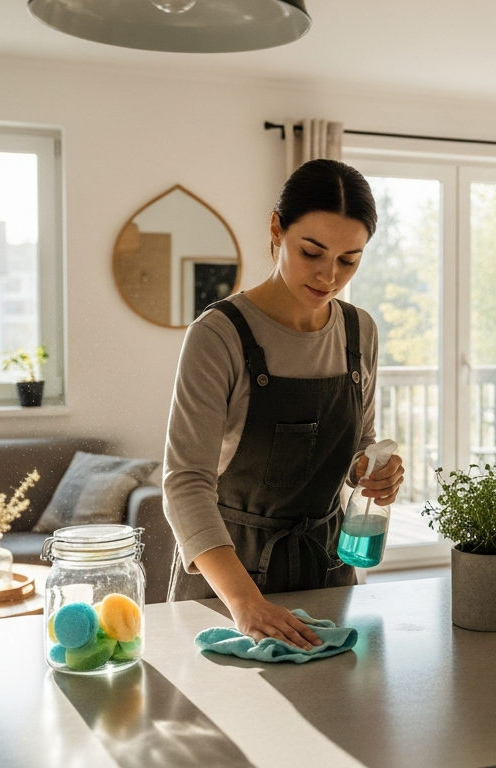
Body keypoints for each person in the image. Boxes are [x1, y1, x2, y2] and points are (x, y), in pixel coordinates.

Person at [163, 159, 404, 650]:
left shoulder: (360, 332)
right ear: (277, 228)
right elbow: (185, 485)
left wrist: (372, 470)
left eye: (349, 259)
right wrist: (245, 603)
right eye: (311, 251)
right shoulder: (219, 335)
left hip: (326, 571)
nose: (328, 276)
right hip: (228, 583)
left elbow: (360, 444)